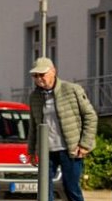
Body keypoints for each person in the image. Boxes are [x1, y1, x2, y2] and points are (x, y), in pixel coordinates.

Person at [31, 56, 97, 201]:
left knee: (71, 189)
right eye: (35, 76)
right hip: (46, 150)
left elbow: (90, 116)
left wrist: (85, 144)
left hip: (70, 149)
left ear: (53, 71)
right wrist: (31, 150)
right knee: (43, 191)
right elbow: (33, 126)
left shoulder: (72, 90)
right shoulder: (35, 96)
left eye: (42, 75)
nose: (38, 79)